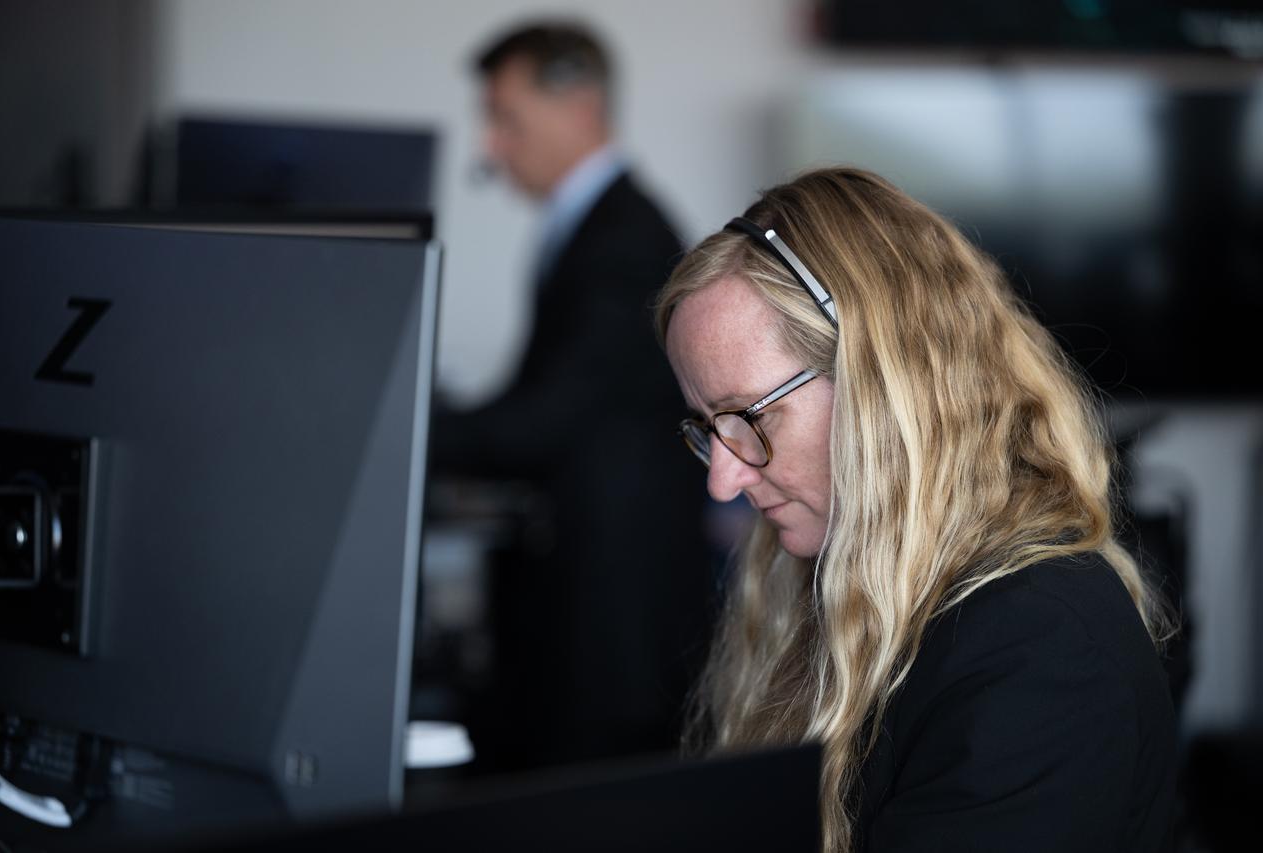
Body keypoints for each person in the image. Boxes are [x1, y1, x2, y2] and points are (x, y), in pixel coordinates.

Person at [655, 167, 1178, 852]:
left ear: (887, 384)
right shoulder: (836, 578)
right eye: (706, 426)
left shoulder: (1041, 647)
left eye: (748, 417)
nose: (723, 479)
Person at [431, 23, 712, 768]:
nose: (491, 145)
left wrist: (412, 430)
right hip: (586, 600)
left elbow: (548, 418)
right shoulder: (597, 224)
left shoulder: (622, 237)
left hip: (610, 619)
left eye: (506, 118)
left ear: (581, 105)